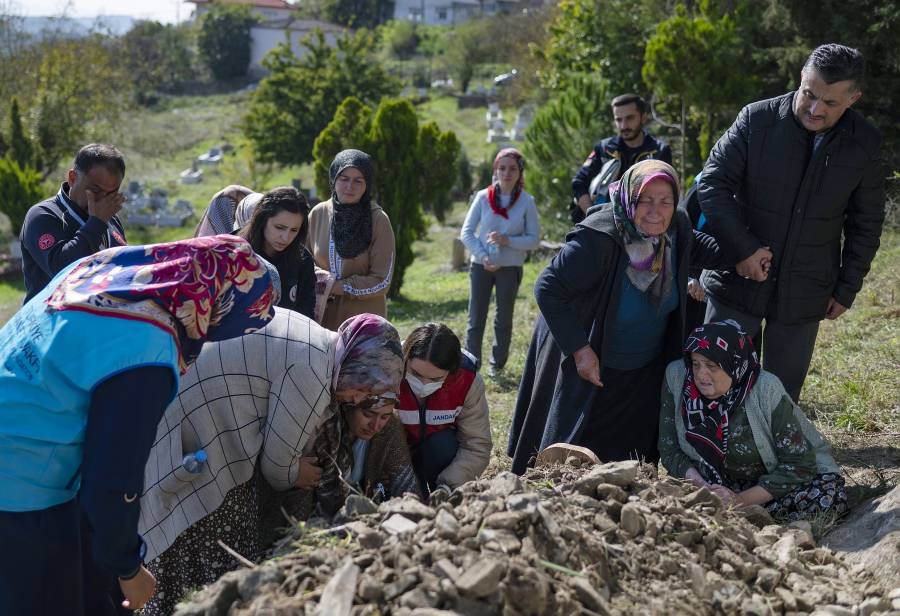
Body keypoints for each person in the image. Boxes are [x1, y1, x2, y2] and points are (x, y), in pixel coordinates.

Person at [0, 236, 276, 616]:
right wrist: (128, 567)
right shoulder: (149, 351)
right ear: (218, 304)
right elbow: (110, 483)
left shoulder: (99, 272)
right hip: (21, 483)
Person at [138, 311, 414, 615]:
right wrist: (299, 474)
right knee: (216, 548)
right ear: (356, 364)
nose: (355, 398)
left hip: (180, 407)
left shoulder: (317, 342)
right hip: (199, 434)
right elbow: (277, 466)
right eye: (362, 388)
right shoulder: (312, 371)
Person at [508, 160, 726, 475]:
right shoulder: (600, 237)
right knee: (568, 461)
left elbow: (703, 247)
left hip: (640, 370)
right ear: (627, 198)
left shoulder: (676, 227)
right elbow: (547, 287)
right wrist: (581, 352)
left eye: (665, 200)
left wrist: (748, 251)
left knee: (627, 467)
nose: (656, 210)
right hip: (590, 361)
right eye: (645, 200)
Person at [698, 43, 885, 403]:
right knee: (714, 380)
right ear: (800, 79)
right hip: (735, 277)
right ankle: (710, 453)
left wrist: (847, 288)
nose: (815, 109)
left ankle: (770, 456)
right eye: (809, 94)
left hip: (807, 287)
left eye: (830, 103)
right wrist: (744, 248)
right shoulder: (756, 119)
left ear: (854, 98)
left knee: (780, 397)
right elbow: (712, 183)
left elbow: (867, 222)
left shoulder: (865, 143)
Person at [659, 321, 847, 521]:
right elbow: (669, 448)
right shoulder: (679, 377)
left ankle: (747, 515)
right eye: (696, 364)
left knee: (827, 497)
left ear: (734, 366)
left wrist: (738, 501)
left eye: (711, 366)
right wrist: (701, 486)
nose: (700, 374)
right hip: (715, 481)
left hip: (770, 482)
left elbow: (799, 464)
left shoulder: (766, 389)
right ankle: (742, 516)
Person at [460, 147, 540, 376]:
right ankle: (470, 364)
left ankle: (497, 364)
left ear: (520, 172)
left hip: (510, 267)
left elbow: (534, 240)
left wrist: (507, 240)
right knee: (476, 317)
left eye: (512, 168)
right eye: (502, 167)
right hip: (481, 266)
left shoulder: (526, 201)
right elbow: (466, 232)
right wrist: (482, 256)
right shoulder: (482, 198)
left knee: (503, 318)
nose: (507, 173)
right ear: (495, 170)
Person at [20, 143, 128, 302]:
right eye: (96, 190)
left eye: (111, 193)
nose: (102, 200)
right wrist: (97, 223)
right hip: (55, 321)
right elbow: (62, 270)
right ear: (72, 178)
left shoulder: (110, 219)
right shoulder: (42, 215)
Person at [396, 323, 492, 496]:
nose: (423, 385)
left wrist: (448, 486)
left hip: (439, 456)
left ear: (452, 372)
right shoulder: (389, 368)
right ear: (405, 358)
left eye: (435, 379)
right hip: (396, 454)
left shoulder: (468, 381)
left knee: (443, 443)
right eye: (416, 374)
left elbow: (476, 444)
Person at [307, 149, 395, 330]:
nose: (350, 186)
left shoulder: (378, 219)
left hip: (363, 324)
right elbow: (304, 260)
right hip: (321, 320)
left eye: (358, 180)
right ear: (333, 179)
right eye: (344, 178)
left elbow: (382, 280)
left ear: (367, 184)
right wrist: (321, 280)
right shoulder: (318, 214)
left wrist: (339, 287)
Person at [571, 94, 672, 224]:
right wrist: (595, 219)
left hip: (645, 226)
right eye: (618, 120)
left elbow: (666, 194)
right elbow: (579, 183)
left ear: (643, 117)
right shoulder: (604, 148)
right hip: (602, 224)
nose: (624, 125)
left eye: (630, 118)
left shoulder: (659, 151)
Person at [238, 187, 316, 319]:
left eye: (294, 230)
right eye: (279, 227)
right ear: (262, 219)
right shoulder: (235, 251)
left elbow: (305, 315)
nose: (285, 238)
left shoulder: (302, 259)